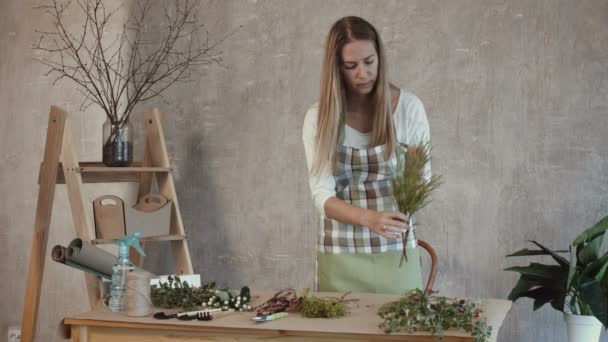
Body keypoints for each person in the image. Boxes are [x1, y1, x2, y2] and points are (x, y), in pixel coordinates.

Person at [302, 16, 431, 294]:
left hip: (396, 251)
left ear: (380, 58)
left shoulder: (408, 109)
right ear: (336, 69)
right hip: (340, 254)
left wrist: (409, 197)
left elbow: (421, 178)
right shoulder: (319, 118)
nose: (362, 73)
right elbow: (322, 195)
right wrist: (369, 218)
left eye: (369, 62)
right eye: (351, 66)